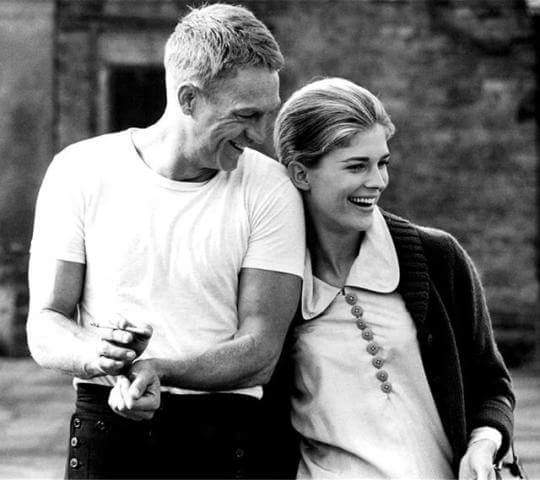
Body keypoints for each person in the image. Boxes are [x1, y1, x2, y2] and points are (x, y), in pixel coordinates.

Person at [27, 4, 305, 478]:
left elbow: (260, 349)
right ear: (189, 98)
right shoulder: (79, 170)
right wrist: (100, 356)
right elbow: (46, 323)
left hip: (225, 435)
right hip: (106, 425)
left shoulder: (271, 188)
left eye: (267, 115)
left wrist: (159, 369)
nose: (261, 135)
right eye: (246, 115)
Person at [270, 77, 515, 479]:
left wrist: (484, 442)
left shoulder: (439, 258)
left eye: (382, 162)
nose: (377, 181)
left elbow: (491, 381)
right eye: (356, 166)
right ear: (300, 173)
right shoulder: (272, 278)